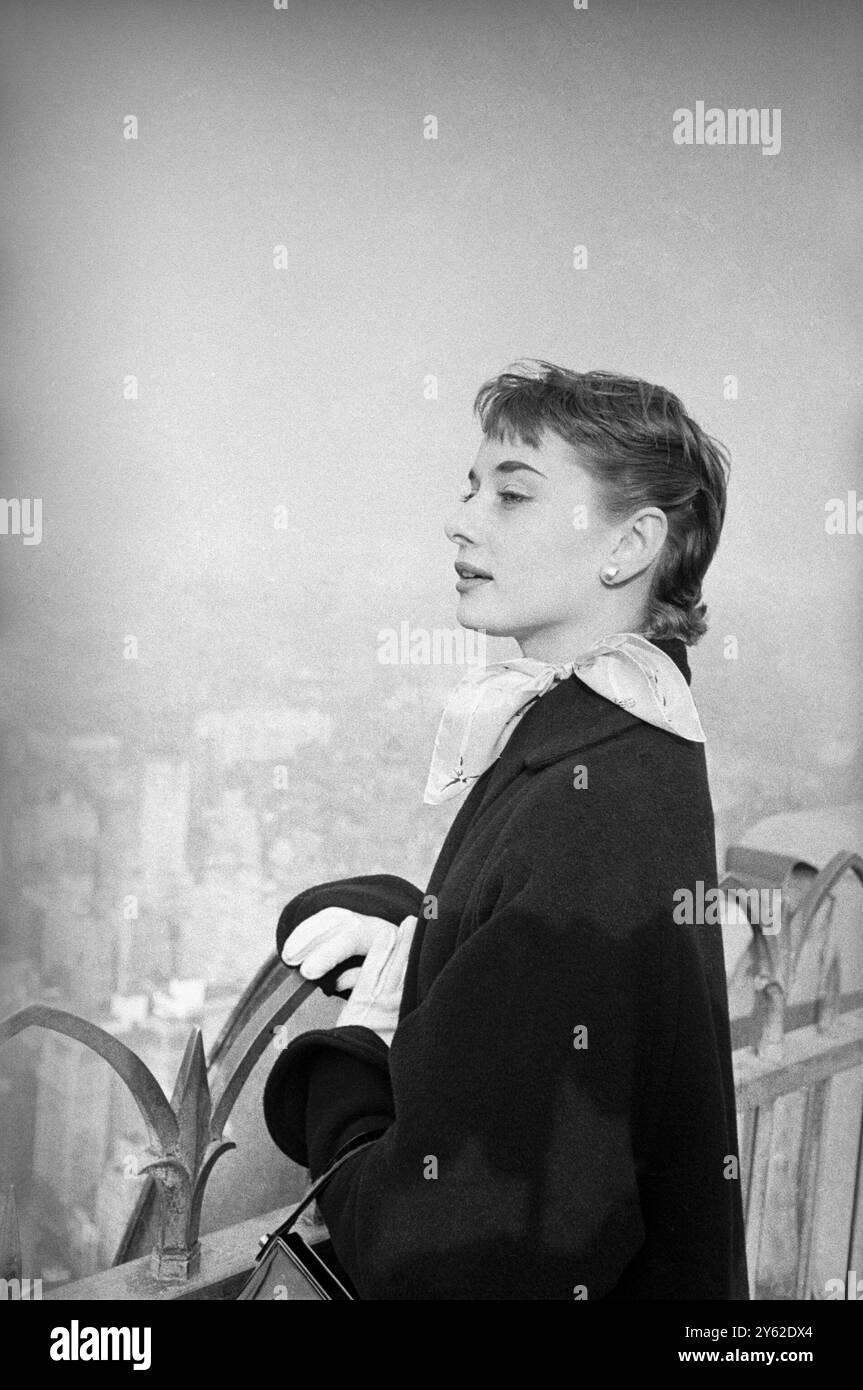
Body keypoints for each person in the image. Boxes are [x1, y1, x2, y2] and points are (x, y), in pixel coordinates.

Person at [262, 360, 749, 1300]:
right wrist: (420, 931)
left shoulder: (593, 800)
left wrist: (351, 1064)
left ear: (629, 545)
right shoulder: (623, 736)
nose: (463, 518)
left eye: (514, 494)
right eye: (470, 486)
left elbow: (459, 1256)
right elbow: (553, 957)